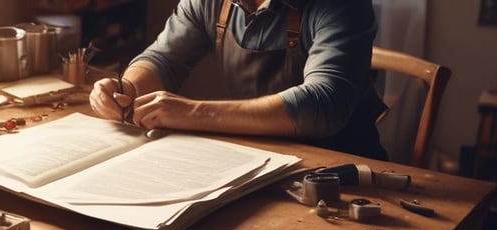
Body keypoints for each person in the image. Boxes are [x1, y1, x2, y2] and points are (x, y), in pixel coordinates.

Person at [89, 0, 388, 160]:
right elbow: (164, 59)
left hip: (341, 170)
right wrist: (128, 88)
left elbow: (325, 103)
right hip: (260, 159)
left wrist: (192, 112)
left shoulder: (342, 4)